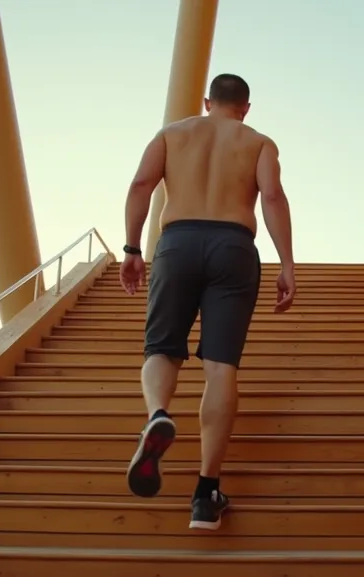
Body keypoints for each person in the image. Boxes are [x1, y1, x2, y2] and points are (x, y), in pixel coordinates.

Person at [119, 73, 296, 531]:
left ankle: (158, 414)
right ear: (246, 107)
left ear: (206, 102)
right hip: (234, 246)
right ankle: (205, 494)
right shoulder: (258, 142)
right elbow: (273, 196)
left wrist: (133, 249)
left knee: (161, 349)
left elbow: (141, 185)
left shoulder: (172, 133)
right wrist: (287, 264)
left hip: (177, 242)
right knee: (221, 367)